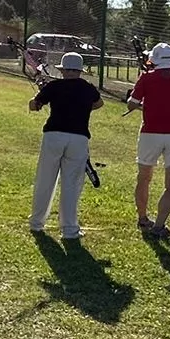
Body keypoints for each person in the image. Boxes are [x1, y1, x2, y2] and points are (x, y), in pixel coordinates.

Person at [28, 50, 102, 240]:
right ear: (79, 71)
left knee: (45, 179)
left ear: (63, 70)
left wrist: (35, 100)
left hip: (53, 135)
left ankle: (37, 223)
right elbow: (98, 103)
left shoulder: (54, 86)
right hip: (78, 138)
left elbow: (35, 105)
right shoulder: (88, 88)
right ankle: (69, 229)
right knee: (71, 184)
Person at [127, 42, 170, 239]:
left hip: (150, 133)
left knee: (144, 176)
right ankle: (159, 226)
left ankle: (142, 218)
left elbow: (132, 103)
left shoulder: (146, 77)